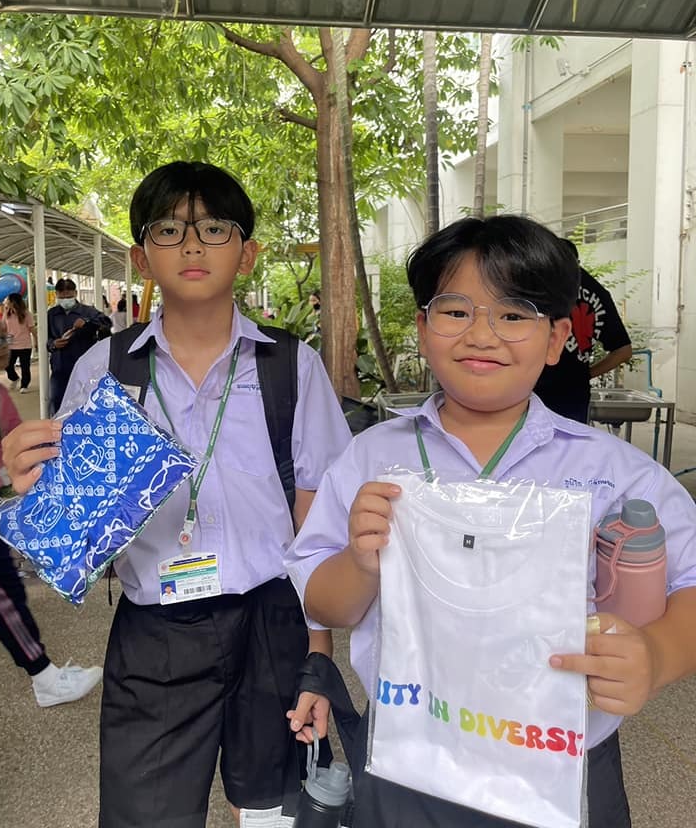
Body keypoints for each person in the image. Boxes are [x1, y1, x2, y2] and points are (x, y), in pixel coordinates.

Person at [285, 215, 696, 828]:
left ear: (556, 339)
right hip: (409, 754)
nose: (482, 333)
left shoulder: (615, 473)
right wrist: (359, 563)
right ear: (423, 329)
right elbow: (324, 602)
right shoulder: (371, 459)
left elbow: (688, 583)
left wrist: (656, 657)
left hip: (560, 762)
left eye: (513, 314)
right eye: (455, 311)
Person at [2, 161, 352, 828]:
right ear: (142, 258)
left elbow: (317, 519)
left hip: (271, 619)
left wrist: (318, 651)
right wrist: (39, 491)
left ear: (247, 254)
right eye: (169, 229)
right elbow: (75, 527)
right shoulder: (106, 367)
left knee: (272, 807)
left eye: (214, 228)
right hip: (156, 631)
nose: (192, 245)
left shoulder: (289, 366)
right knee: (146, 812)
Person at [0, 305, 103, 707]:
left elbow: (21, 442)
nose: (5, 344)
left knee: (9, 588)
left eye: (4, 336)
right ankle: (44, 677)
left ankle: (43, 672)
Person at [534, 238, 632, 423]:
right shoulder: (598, 293)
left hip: (537, 392)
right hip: (576, 397)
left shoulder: (545, 288)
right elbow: (623, 350)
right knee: (572, 441)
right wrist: (585, 375)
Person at [46, 278, 112, 415]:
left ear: (75, 293)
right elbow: (46, 338)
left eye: (69, 296)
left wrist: (87, 322)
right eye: (62, 297)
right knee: (57, 400)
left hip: (83, 364)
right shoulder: (51, 314)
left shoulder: (87, 311)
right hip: (59, 366)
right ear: (56, 295)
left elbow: (107, 323)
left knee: (83, 401)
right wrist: (53, 344)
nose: (65, 300)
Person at [2, 293, 36, 393]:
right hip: (10, 345)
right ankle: (14, 378)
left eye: (7, 300)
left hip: (25, 345)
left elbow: (32, 329)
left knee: (25, 366)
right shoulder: (7, 313)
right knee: (7, 365)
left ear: (13, 302)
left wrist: (36, 340)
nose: (6, 302)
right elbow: (3, 327)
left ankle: (24, 385)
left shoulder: (26, 314)